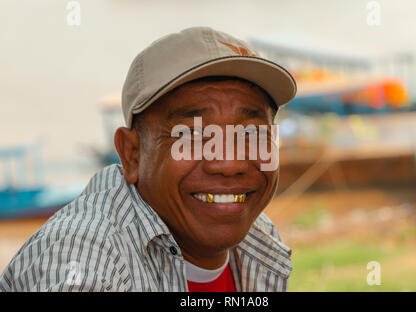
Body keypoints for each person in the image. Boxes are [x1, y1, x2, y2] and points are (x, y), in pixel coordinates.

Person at [0, 26, 297, 292]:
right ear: (132, 154)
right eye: (192, 135)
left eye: (251, 135)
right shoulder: (84, 258)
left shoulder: (258, 237)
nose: (230, 164)